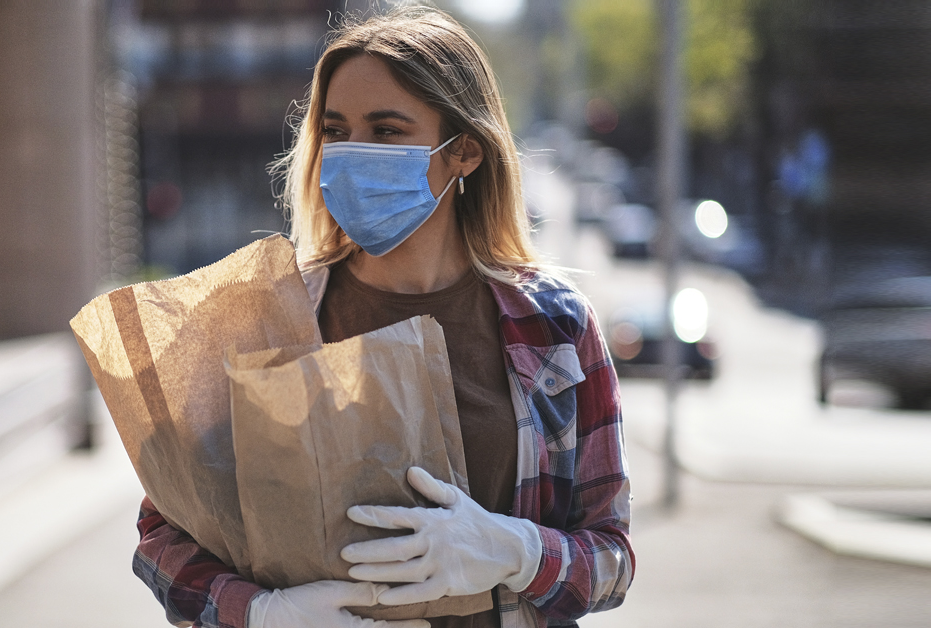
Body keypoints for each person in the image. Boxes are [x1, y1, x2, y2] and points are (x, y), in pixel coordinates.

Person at [133, 7, 633, 628]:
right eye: (336, 131)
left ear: (466, 153)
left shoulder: (555, 327)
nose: (351, 153)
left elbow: (612, 555)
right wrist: (264, 615)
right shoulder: (265, 321)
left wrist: (517, 552)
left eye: (387, 130)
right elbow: (161, 534)